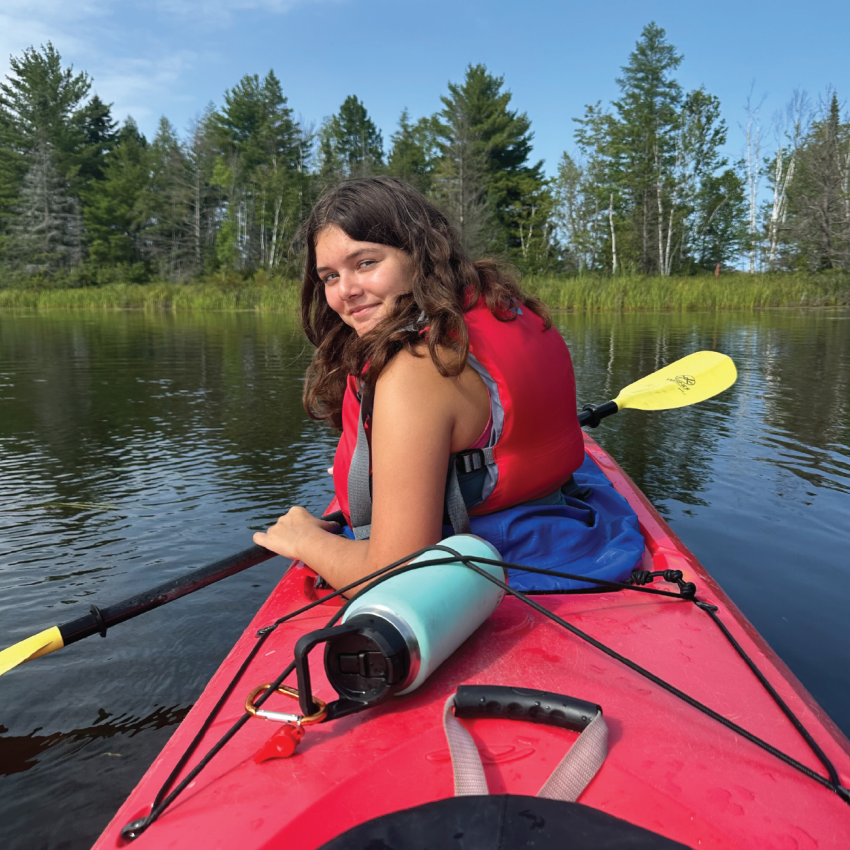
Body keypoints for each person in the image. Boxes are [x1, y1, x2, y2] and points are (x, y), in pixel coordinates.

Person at [253, 177, 602, 592]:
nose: (345, 291)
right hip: (564, 526)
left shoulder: (417, 368)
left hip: (487, 565)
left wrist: (304, 540)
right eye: (329, 276)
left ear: (420, 254)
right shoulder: (507, 308)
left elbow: (393, 576)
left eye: (366, 263)